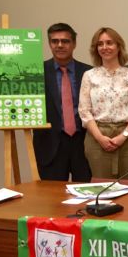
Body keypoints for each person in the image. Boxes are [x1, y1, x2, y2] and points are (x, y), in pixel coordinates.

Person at [78, 27, 128, 179]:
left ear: (119, 46)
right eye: (100, 44)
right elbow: (84, 111)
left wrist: (123, 136)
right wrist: (100, 137)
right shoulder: (89, 76)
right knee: (102, 189)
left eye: (109, 43)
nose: (105, 47)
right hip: (97, 137)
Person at [34, 23, 92, 181]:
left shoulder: (89, 72)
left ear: (74, 44)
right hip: (50, 145)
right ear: (49, 44)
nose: (60, 45)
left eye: (65, 41)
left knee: (87, 194)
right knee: (53, 199)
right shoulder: (37, 72)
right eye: (54, 41)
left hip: (83, 143)